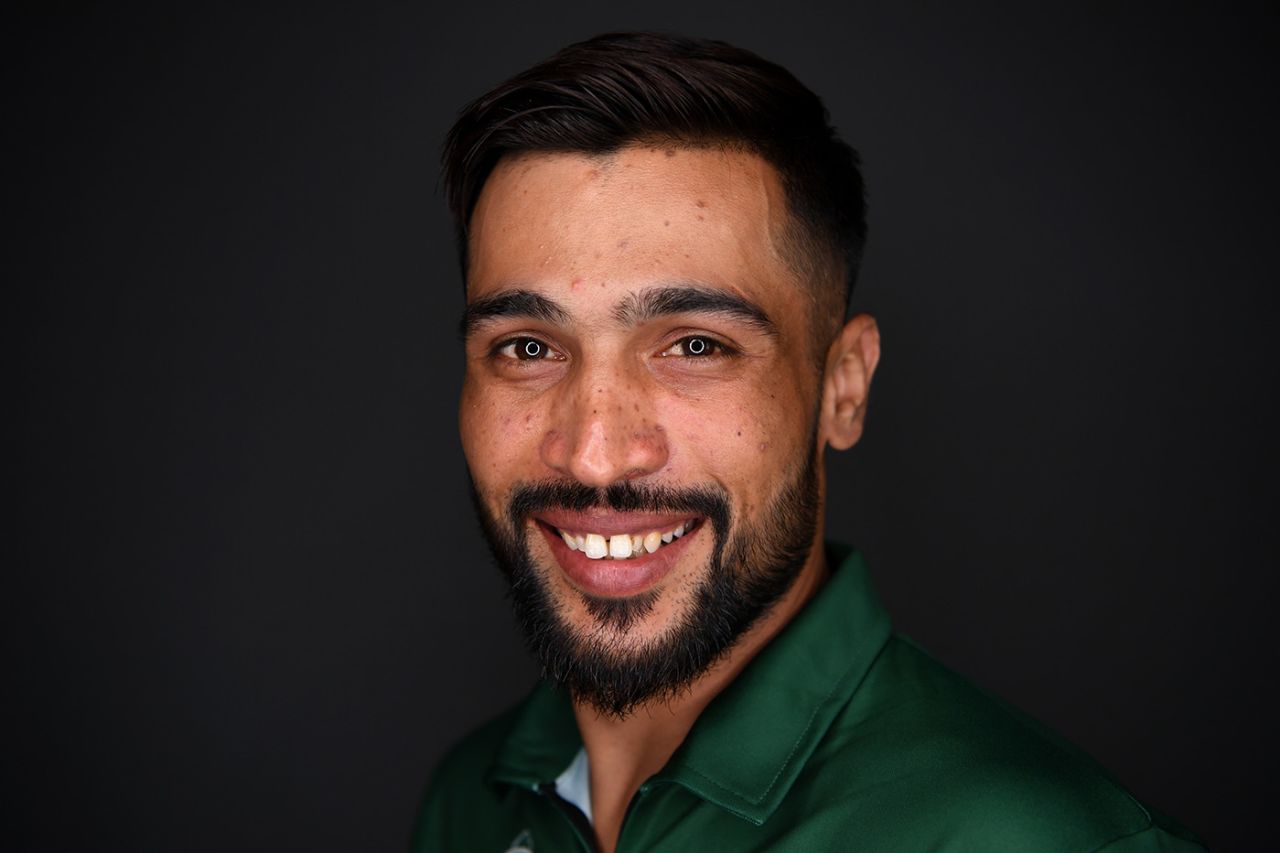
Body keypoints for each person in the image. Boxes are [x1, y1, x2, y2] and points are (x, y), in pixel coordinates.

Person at [412, 32, 1204, 853]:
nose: (595, 454)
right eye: (528, 348)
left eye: (695, 346)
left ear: (843, 386)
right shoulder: (470, 803)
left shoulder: (1047, 842)